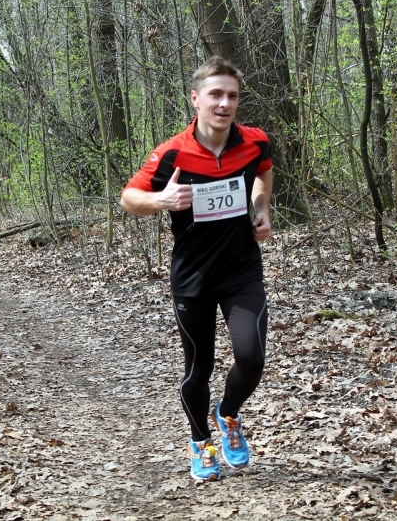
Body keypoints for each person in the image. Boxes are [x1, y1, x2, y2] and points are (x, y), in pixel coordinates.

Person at [120, 56, 272, 482]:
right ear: (196, 99)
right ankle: (200, 441)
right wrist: (160, 202)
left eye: (232, 96)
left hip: (242, 270)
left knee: (252, 356)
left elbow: (263, 171)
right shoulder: (172, 153)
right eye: (215, 95)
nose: (224, 104)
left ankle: (227, 414)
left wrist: (261, 208)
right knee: (197, 368)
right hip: (193, 279)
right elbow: (128, 198)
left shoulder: (255, 141)